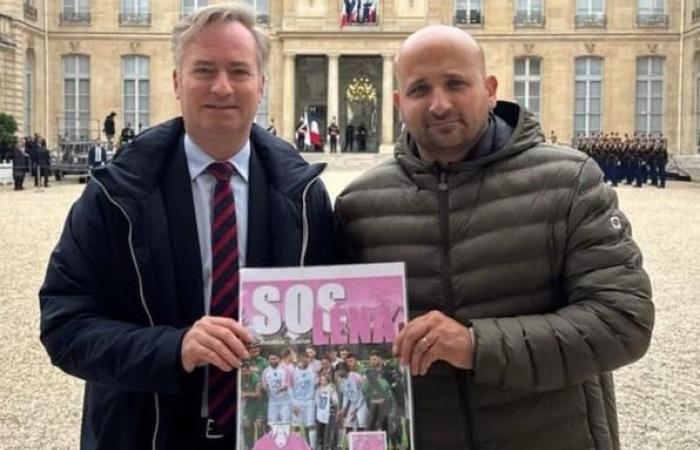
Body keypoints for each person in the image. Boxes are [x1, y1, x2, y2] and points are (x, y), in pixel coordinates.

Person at [335, 25, 654, 450]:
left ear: (489, 90)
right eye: (419, 89)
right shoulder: (359, 204)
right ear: (398, 103)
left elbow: (622, 322)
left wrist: (474, 345)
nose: (439, 103)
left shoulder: (570, 181)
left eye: (455, 83)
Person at [39, 5, 339, 450]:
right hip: (148, 433)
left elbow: (337, 324)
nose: (222, 86)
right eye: (204, 69)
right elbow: (63, 325)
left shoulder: (304, 195)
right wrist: (173, 349)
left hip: (269, 437)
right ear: (177, 81)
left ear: (262, 84)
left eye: (239, 70)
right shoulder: (114, 195)